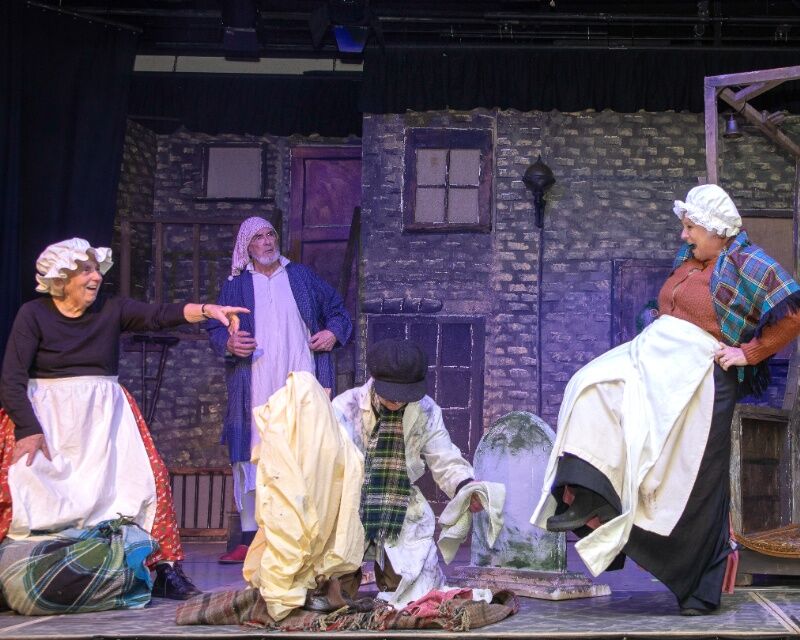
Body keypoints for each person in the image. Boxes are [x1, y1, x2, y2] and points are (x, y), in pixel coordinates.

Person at [531, 184, 800, 616]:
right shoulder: (690, 258)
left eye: (691, 227)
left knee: (687, 476)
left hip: (700, 374)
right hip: (657, 356)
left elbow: (792, 315)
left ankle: (697, 584)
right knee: (589, 386)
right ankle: (591, 498)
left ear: (716, 230)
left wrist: (748, 353)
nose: (683, 235)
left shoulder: (749, 262)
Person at [0, 237, 249, 604]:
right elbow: (11, 378)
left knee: (148, 483)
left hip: (104, 418)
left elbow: (159, 314)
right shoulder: (33, 314)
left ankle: (164, 568)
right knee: (21, 487)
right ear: (61, 278)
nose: (95, 276)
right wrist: (27, 428)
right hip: (47, 418)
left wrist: (208, 310)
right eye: (85, 270)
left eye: (95, 269)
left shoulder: (111, 309)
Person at [207, 216, 352, 564]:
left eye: (270, 234)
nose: (268, 242)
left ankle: (305, 534)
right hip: (255, 381)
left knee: (303, 451)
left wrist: (332, 333)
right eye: (258, 238)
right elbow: (215, 329)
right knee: (251, 453)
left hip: (299, 377)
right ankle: (250, 537)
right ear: (247, 247)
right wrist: (228, 343)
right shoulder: (236, 286)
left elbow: (337, 310)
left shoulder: (300, 276)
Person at [331, 338, 484, 607]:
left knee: (410, 595)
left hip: (399, 504)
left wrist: (465, 485)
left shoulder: (426, 410)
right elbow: (327, 466)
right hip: (348, 503)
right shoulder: (345, 407)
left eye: (404, 395)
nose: (397, 401)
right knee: (335, 597)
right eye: (391, 394)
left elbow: (444, 457)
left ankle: (393, 573)